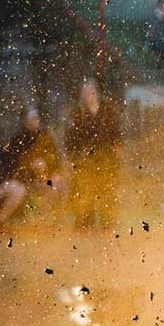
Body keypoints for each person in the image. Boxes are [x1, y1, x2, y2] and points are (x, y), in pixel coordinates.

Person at [66, 79, 121, 227]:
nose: (86, 95)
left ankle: (107, 223)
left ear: (95, 91)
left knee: (106, 190)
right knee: (85, 191)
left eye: (89, 91)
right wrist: (74, 157)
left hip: (106, 157)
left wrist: (116, 149)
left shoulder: (107, 110)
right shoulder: (77, 113)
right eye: (83, 92)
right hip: (85, 158)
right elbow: (70, 138)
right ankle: (84, 223)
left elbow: (116, 132)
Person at [4, 107, 65, 203]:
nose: (35, 121)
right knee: (49, 186)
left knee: (56, 182)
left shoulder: (45, 135)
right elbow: (16, 163)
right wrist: (31, 165)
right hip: (29, 178)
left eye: (36, 118)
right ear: (26, 121)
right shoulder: (19, 139)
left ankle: (47, 213)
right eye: (32, 119)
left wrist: (46, 164)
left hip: (47, 175)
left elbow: (55, 157)